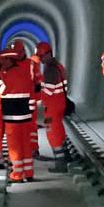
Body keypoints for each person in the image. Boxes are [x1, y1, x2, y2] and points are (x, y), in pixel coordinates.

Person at [0, 46, 35, 182]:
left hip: (12, 117)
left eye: (3, 60)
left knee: (14, 146)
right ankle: (29, 173)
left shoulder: (8, 75)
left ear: (8, 59)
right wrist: (30, 112)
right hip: (25, 117)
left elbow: (2, 91)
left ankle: (17, 174)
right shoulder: (24, 73)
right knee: (26, 144)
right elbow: (31, 94)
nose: (2, 63)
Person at [37, 42, 69, 172]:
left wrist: (39, 92)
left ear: (48, 54)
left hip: (52, 106)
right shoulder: (59, 66)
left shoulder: (50, 69)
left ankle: (61, 164)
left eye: (41, 56)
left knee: (53, 134)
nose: (41, 59)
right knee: (59, 130)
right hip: (60, 102)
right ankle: (66, 155)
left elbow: (48, 90)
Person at [11, 40, 41, 157]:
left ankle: (33, 148)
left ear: (24, 51)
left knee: (31, 126)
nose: (18, 54)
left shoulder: (31, 64)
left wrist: (36, 93)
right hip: (17, 102)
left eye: (20, 52)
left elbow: (38, 80)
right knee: (18, 128)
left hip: (29, 101)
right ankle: (21, 149)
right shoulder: (10, 66)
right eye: (16, 52)